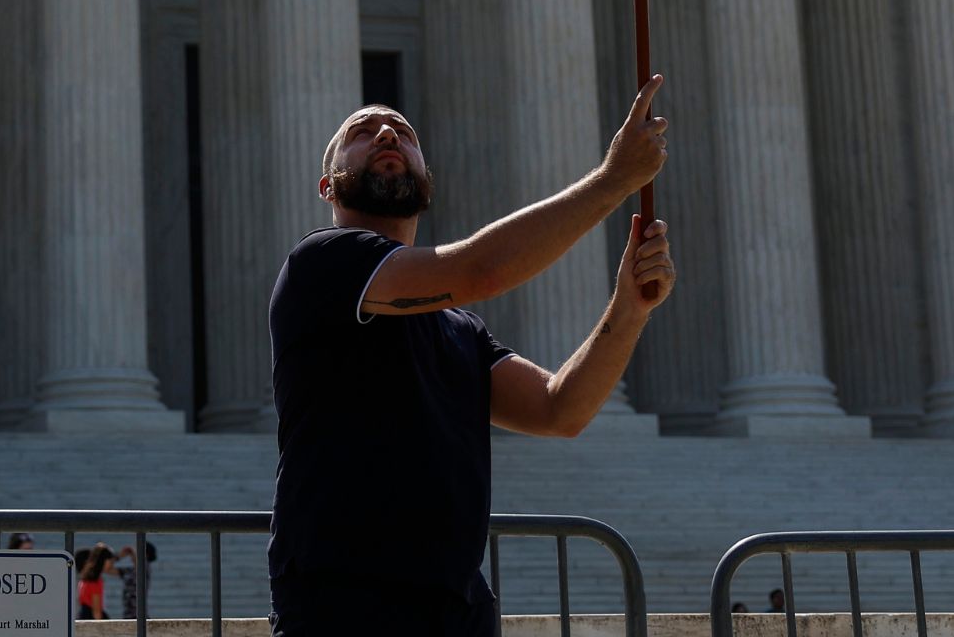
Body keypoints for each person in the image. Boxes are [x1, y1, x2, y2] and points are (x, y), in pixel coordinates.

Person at [268, 77, 673, 637]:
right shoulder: (321, 264)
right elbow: (479, 270)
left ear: (427, 179)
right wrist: (612, 181)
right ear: (327, 187)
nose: (388, 132)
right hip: (344, 604)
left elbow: (560, 409)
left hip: (456, 610)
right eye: (362, 134)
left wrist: (630, 307)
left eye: (404, 135)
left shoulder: (458, 330)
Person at [113, 542, 156, 619]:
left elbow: (140, 563)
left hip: (139, 616)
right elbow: (107, 568)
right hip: (128, 614)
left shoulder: (145, 568)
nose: (133, 554)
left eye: (138, 551)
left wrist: (132, 551)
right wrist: (118, 556)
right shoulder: (130, 571)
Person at [77, 544, 116, 620]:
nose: (112, 564)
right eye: (110, 561)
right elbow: (97, 612)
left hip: (83, 616)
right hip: (90, 618)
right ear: (103, 560)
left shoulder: (85, 577)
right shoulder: (96, 581)